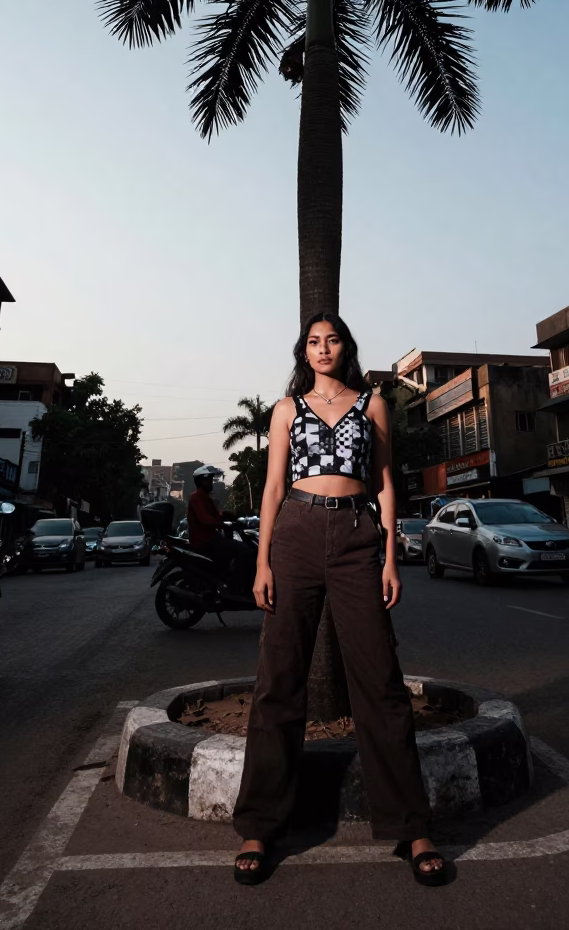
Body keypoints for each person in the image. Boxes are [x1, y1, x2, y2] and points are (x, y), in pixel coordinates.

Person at [232, 312, 445, 886]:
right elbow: (273, 486)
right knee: (279, 678)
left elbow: (384, 483)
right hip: (296, 535)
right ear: (303, 354)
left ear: (346, 347)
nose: (323, 349)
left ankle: (412, 827)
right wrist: (262, 562)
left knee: (379, 678)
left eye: (332, 340)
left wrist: (393, 556)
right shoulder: (286, 410)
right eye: (312, 342)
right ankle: (260, 826)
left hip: (355, 536)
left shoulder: (371, 402)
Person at [187, 464, 254, 594]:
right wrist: (226, 524)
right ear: (200, 481)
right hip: (205, 541)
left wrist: (234, 517)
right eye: (208, 480)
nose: (211, 482)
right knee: (244, 550)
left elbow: (218, 515)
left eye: (211, 480)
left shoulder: (206, 497)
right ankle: (234, 588)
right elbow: (205, 519)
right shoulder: (196, 497)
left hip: (212, 538)